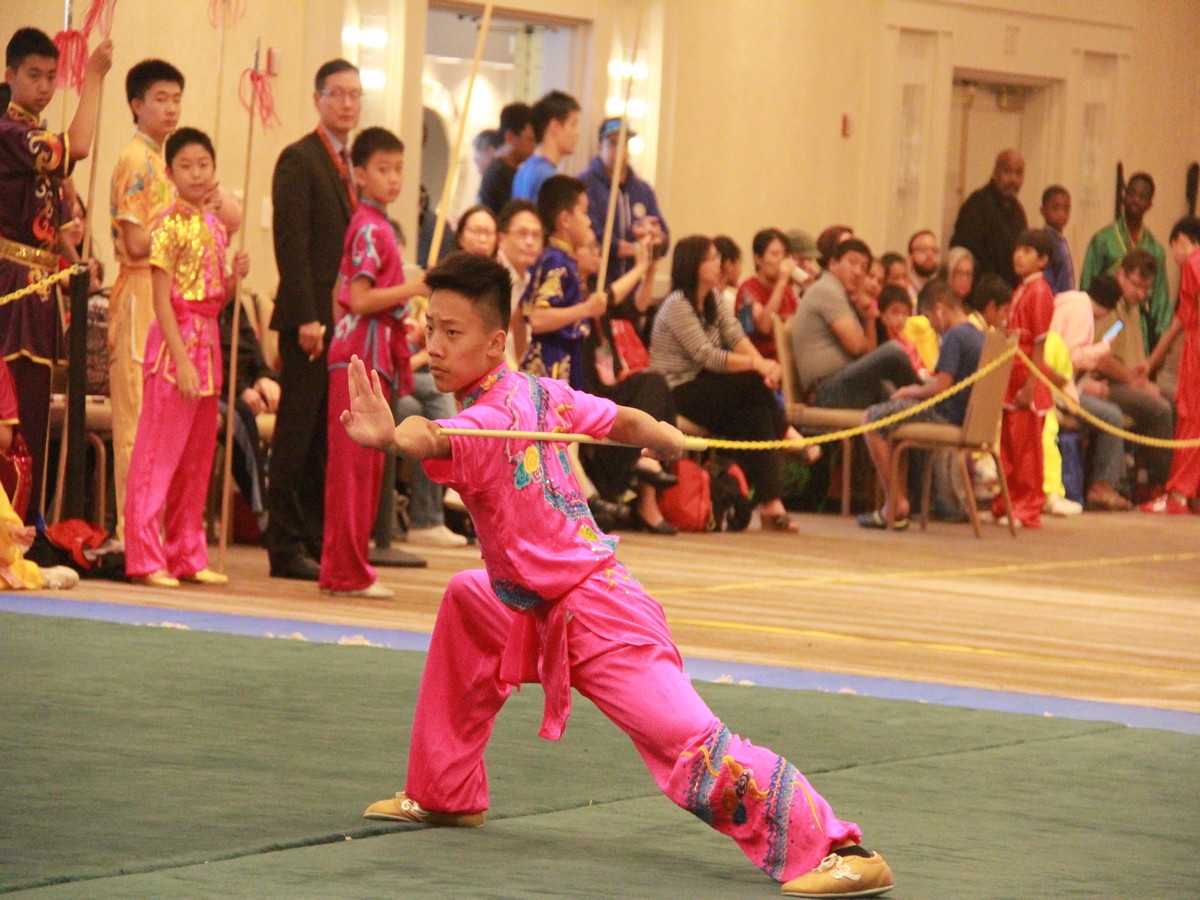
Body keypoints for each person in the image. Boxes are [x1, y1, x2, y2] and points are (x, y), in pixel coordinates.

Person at [341, 252, 893, 897]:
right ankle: (444, 792)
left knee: (687, 742)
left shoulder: (495, 417)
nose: (434, 346)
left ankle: (839, 849)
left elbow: (433, 435)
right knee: (469, 597)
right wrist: (662, 435)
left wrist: (393, 438)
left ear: (495, 342)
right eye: (431, 328)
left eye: (452, 332)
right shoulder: (540, 392)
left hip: (598, 613)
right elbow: (619, 420)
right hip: (534, 603)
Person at [108, 58, 242, 545]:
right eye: (160, 99)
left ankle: (173, 539)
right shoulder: (135, 159)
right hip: (145, 292)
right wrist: (179, 223)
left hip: (189, 310)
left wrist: (198, 215)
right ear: (136, 105)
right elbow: (137, 243)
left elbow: (231, 219)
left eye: (176, 99)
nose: (170, 108)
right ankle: (134, 535)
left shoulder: (176, 164)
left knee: (186, 436)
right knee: (141, 424)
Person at [124, 127, 248, 586]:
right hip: (175, 347)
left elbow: (217, 298)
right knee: (158, 455)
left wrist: (234, 278)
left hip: (209, 344)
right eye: (186, 166)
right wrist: (181, 359)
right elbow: (162, 300)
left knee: (197, 460)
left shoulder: (216, 227)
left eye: (203, 164)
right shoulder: (167, 225)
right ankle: (145, 556)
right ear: (171, 173)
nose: (196, 174)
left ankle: (186, 554)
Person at [0, 28, 112, 523]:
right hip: (14, 284)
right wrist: (94, 77)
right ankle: (12, 527)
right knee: (15, 413)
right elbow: (78, 145)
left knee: (38, 414)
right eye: (34, 75)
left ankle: (29, 524)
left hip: (42, 286)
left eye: (52, 76)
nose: (45, 87)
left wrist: (74, 259)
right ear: (10, 76)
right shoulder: (11, 134)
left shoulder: (32, 137)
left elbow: (56, 219)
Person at [265, 59, 363, 581]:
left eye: (355, 94)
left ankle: (315, 539)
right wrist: (306, 316)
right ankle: (283, 544)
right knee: (296, 435)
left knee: (325, 437)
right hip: (308, 320)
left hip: (341, 322)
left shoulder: (353, 164)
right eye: (337, 93)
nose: (347, 103)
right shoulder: (299, 159)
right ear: (317, 98)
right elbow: (292, 245)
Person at [319, 127, 428, 598]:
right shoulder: (369, 227)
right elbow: (359, 298)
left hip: (369, 353)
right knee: (353, 469)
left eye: (399, 169)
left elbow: (345, 296)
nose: (394, 178)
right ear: (360, 174)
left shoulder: (376, 226)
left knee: (363, 468)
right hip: (360, 359)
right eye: (383, 169)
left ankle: (346, 568)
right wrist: (414, 287)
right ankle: (346, 571)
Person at [650, 236, 816, 533]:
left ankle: (772, 505)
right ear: (693, 266)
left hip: (706, 386)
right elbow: (706, 355)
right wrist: (758, 366)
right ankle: (788, 433)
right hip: (677, 389)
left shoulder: (715, 299)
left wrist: (763, 368)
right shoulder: (677, 304)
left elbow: (736, 336)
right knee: (752, 381)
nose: (719, 264)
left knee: (756, 415)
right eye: (711, 259)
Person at [858, 279, 985, 529]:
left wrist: (910, 390)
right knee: (891, 424)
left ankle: (895, 504)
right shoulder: (978, 335)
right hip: (968, 418)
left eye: (928, 318)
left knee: (871, 419)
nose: (932, 326)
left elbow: (941, 386)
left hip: (945, 416)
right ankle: (899, 500)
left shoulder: (954, 336)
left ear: (939, 310)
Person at [576, 231, 677, 534]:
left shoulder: (596, 290)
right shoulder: (574, 292)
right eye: (590, 248)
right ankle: (642, 485)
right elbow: (608, 298)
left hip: (610, 384)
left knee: (654, 384)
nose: (597, 253)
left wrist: (650, 270)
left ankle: (647, 478)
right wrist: (639, 265)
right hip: (583, 384)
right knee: (651, 387)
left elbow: (637, 307)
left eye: (599, 248)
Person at [791, 238, 919, 409]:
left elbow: (868, 355)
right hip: (826, 391)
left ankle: (932, 407)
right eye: (852, 262)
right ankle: (931, 398)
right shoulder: (827, 289)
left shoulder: (844, 296)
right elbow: (857, 348)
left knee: (901, 400)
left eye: (863, 268)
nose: (858, 272)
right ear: (833, 264)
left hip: (847, 384)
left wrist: (869, 318)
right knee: (893, 351)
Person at [1088, 249, 1174, 498]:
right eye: (1136, 285)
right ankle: (1155, 485)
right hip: (1103, 384)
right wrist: (1130, 379)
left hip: (1128, 380)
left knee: (1175, 399)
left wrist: (1142, 374)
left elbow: (1133, 358)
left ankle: (1179, 482)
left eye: (1146, 288)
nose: (1140, 293)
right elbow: (1100, 358)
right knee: (1160, 409)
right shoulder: (1111, 306)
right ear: (1121, 275)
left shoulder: (1134, 307)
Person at [991, 229, 1059, 529]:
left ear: (1042, 259)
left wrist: (1030, 386)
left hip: (1026, 376)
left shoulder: (1040, 291)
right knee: (1009, 446)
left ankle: (1027, 507)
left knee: (1027, 450)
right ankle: (1006, 504)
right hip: (1012, 374)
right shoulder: (1022, 288)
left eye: (1027, 251)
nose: (1019, 255)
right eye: (1018, 249)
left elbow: (1040, 343)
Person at [518, 174, 606, 390]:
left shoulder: (559, 258)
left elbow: (520, 312)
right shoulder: (557, 261)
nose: (589, 221)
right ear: (565, 220)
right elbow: (538, 318)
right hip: (553, 364)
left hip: (563, 357)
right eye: (584, 213)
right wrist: (586, 309)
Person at [1047, 278, 1127, 512]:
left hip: (1058, 383)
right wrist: (1104, 348)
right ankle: (1102, 487)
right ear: (1108, 309)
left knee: (1107, 409)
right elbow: (1071, 358)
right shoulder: (1081, 312)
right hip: (1058, 391)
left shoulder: (1067, 302)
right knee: (1112, 415)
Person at [1140, 216, 1200, 513]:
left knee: (1190, 418)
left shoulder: (1192, 263)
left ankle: (1178, 494)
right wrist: (1151, 362)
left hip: (1197, 350)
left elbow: (1183, 320)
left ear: (1181, 240)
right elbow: (1181, 318)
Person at [396, 296, 467, 547]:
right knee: (439, 391)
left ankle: (426, 520)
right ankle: (458, 473)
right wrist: (423, 353)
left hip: (407, 392)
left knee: (421, 417)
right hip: (389, 380)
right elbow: (399, 367)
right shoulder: (401, 306)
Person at [1079, 172, 1171, 351]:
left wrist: (1161, 346)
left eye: (1142, 197)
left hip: (1137, 324)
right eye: (1132, 193)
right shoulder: (1103, 240)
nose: (1135, 200)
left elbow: (1160, 300)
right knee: (1104, 352)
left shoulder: (1155, 249)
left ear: (1149, 204)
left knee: (1133, 361)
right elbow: (1087, 284)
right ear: (1124, 196)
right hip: (1107, 317)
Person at [578, 117, 669, 288]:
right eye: (612, 143)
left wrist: (654, 236)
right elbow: (595, 236)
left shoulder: (642, 189)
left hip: (634, 288)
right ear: (599, 146)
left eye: (624, 143)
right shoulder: (585, 184)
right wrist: (637, 249)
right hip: (595, 286)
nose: (619, 150)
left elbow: (664, 237)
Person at [218, 297, 279, 533]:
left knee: (295, 401)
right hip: (218, 388)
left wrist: (263, 377)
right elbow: (207, 358)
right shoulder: (202, 301)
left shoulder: (234, 305)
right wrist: (241, 389)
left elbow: (252, 346)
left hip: (245, 386)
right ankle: (263, 515)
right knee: (241, 416)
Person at [950, 148, 1028, 287]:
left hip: (1010, 290)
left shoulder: (1018, 211)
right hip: (980, 290)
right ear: (995, 172)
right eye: (1007, 171)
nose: (1013, 179)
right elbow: (967, 254)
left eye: (1019, 173)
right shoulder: (976, 205)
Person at [735, 228, 799, 359]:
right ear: (758, 259)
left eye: (784, 255)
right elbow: (764, 326)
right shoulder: (747, 290)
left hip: (789, 358)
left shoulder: (787, 290)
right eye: (775, 254)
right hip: (761, 362)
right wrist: (782, 281)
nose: (781, 261)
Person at [496, 199, 543, 366]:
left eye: (536, 235)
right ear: (501, 238)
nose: (530, 242)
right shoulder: (489, 278)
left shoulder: (532, 283)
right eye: (522, 234)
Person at [511, 90, 580, 203]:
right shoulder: (548, 178)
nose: (577, 133)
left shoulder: (524, 169)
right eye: (573, 124)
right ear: (554, 127)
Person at [478, 102, 535, 214]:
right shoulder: (500, 174)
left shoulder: (506, 171)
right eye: (530, 139)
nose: (534, 146)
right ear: (509, 137)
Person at [877, 285, 927, 380]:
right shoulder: (877, 342)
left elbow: (919, 367)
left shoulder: (906, 343)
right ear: (882, 313)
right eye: (895, 312)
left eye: (904, 314)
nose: (900, 319)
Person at [1040, 185, 1075, 295]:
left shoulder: (1060, 240)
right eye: (1055, 208)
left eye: (1066, 209)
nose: (1061, 214)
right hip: (1054, 297)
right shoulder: (1045, 241)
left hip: (1065, 297)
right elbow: (1047, 278)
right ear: (1042, 211)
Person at [905, 230, 940, 305]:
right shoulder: (904, 290)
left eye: (934, 250)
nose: (930, 255)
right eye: (923, 250)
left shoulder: (940, 292)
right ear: (910, 257)